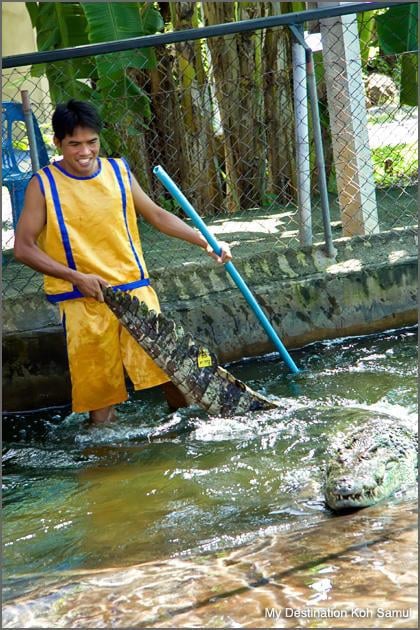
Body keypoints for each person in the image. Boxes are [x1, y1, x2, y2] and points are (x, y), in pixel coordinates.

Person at [14, 99, 232, 424]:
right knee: (100, 394)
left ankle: (186, 429)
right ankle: (108, 456)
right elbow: (24, 248)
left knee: (171, 373)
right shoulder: (42, 185)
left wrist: (206, 242)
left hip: (135, 292)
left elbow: (157, 215)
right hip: (84, 299)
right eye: (74, 144)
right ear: (58, 143)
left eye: (92, 142)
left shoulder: (118, 171)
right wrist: (76, 277)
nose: (85, 152)